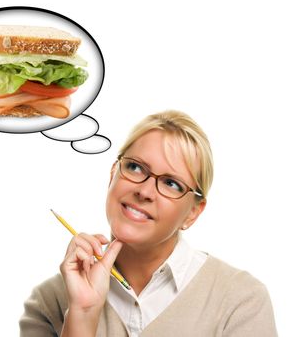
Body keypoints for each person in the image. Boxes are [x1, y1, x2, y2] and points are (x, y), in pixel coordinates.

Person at [19, 110, 277, 336]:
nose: (145, 191)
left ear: (193, 213)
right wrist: (83, 314)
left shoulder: (240, 300)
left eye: (171, 183)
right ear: (113, 175)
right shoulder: (47, 302)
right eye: (135, 167)